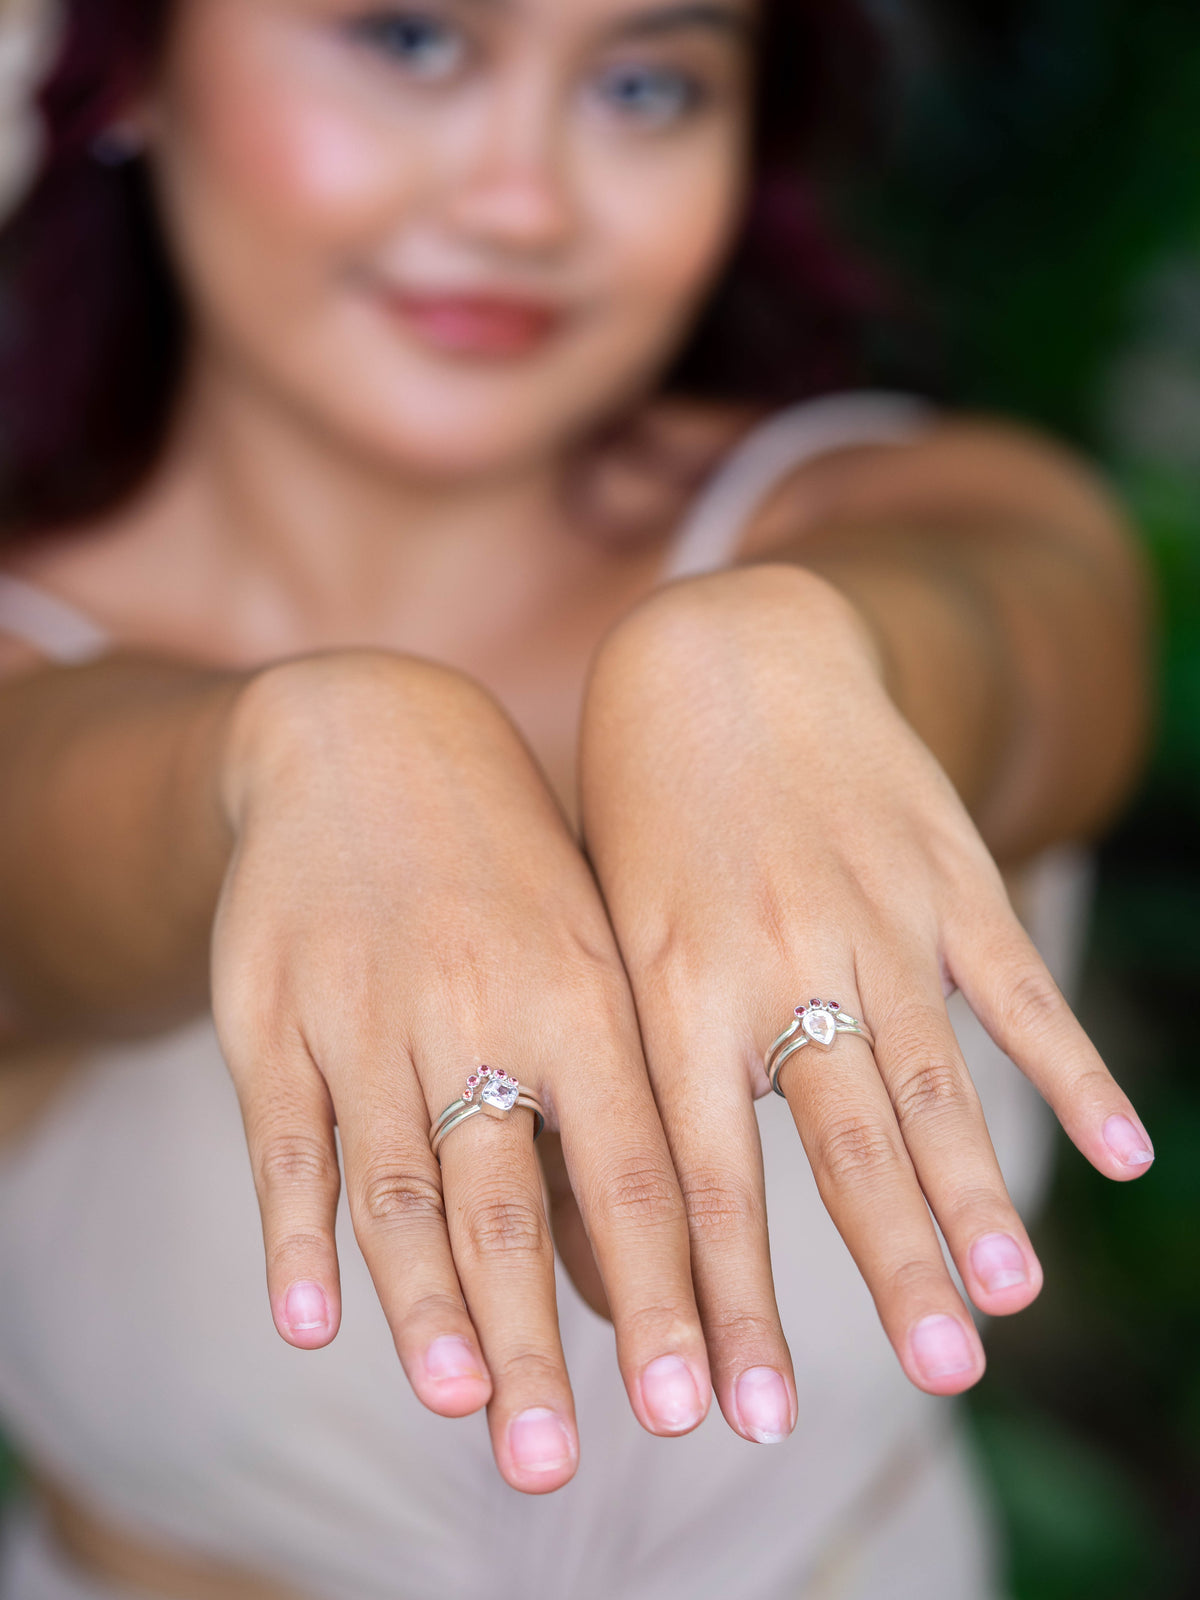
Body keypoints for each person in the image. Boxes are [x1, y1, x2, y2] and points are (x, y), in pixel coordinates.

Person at [0, 1, 1155, 1596]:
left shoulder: (915, 518)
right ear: (130, 59)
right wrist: (296, 760)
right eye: (407, 43)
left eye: (642, 83)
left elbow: (1040, 635)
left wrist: (790, 661)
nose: (522, 202)